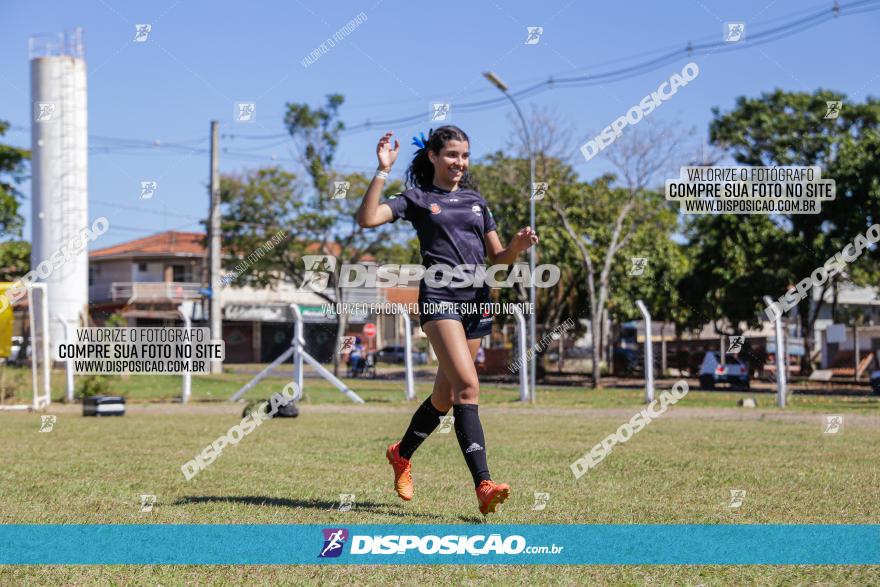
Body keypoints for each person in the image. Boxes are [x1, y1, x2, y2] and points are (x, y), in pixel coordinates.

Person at [356, 126, 539, 515]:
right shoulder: (418, 199)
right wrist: (382, 169)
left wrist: (517, 249)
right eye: (452, 154)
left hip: (477, 302)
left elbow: (498, 258)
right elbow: (368, 218)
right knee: (468, 388)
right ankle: (484, 485)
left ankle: (401, 454)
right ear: (434, 157)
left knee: (444, 396)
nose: (460, 162)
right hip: (439, 299)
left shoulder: (476, 201)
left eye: (465, 155)